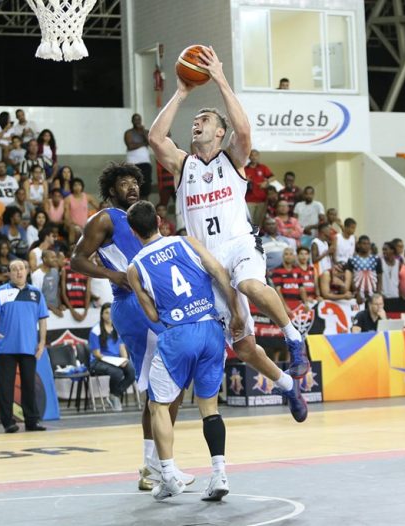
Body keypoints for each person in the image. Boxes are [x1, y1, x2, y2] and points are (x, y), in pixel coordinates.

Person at [148, 46, 309, 424]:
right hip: (205, 262)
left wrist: (219, 77)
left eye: (204, 120)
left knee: (251, 285)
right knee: (245, 346)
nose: (197, 124)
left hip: (239, 244)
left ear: (220, 132)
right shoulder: (183, 165)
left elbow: (245, 129)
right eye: (195, 121)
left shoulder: (232, 158)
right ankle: (288, 385)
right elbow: (156, 138)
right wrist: (182, 92)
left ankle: (294, 338)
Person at [70, 163, 194, 490]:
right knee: (163, 386)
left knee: (172, 386)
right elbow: (76, 259)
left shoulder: (142, 219)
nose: (132, 187)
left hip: (156, 303)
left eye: (134, 182)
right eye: (124, 183)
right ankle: (156, 467)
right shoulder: (105, 218)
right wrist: (112, 275)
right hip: (131, 304)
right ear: (112, 190)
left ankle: (154, 466)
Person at [126, 200, 242, 502]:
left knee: (158, 406)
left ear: (133, 231)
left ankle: (167, 476)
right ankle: (219, 473)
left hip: (178, 334)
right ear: (159, 221)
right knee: (210, 408)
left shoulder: (134, 268)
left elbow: (152, 314)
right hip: (211, 329)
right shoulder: (187, 242)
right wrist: (236, 312)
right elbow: (220, 272)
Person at [0, 260, 48, 433]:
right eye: (14, 269)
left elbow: (43, 319)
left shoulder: (36, 293)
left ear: (27, 271)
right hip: (7, 347)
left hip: (29, 347)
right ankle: (8, 422)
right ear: (9, 273)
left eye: (21, 268)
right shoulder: (0, 292)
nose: (18, 272)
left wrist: (42, 342)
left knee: (29, 386)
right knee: (5, 387)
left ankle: (32, 421)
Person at [87, 303, 136, 412]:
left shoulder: (117, 328)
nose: (109, 315)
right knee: (117, 372)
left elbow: (122, 347)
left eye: (111, 313)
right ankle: (115, 397)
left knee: (132, 370)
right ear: (102, 315)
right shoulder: (96, 330)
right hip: (98, 361)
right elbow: (97, 354)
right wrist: (114, 362)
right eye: (106, 313)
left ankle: (114, 394)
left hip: (115, 360)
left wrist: (125, 360)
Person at [345, 235, 382, 306]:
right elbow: (351, 278)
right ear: (358, 245)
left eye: (368, 244)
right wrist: (356, 293)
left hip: (373, 294)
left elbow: (379, 278)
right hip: (358, 295)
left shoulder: (376, 259)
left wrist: (378, 293)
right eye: (364, 243)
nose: (366, 246)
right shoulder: (352, 260)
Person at [124, 113, 152, 197]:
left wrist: (143, 132)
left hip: (145, 163)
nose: (137, 121)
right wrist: (144, 143)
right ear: (132, 121)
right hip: (133, 163)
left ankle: (145, 202)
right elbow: (130, 146)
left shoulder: (145, 132)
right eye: (135, 119)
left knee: (146, 185)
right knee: (134, 185)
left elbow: (150, 142)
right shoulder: (128, 132)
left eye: (138, 119)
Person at [244, 149, 274, 227]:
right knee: (249, 222)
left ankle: (258, 235)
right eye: (252, 155)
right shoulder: (244, 169)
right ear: (248, 157)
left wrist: (266, 182)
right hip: (249, 200)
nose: (254, 157)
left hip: (262, 200)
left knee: (259, 222)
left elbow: (273, 177)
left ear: (258, 156)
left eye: (255, 155)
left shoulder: (263, 167)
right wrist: (245, 180)